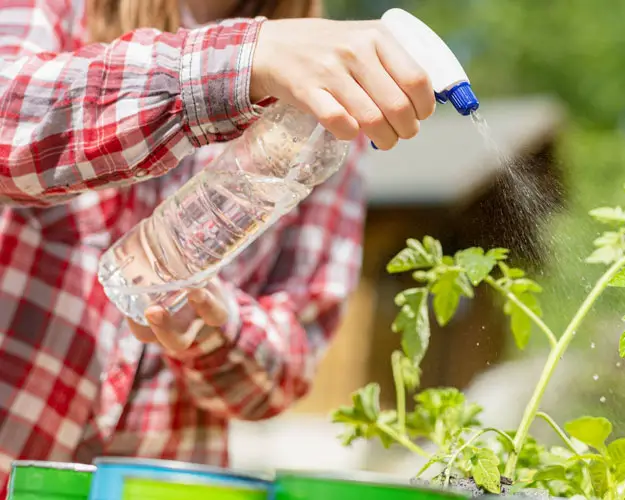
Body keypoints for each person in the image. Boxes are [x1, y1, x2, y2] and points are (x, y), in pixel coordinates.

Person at [0, 0, 436, 491]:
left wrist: (217, 325)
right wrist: (245, 60)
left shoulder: (330, 110)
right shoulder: (59, 11)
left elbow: (290, 364)